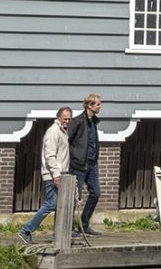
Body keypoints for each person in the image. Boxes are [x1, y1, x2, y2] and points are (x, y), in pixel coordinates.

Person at [22, 107, 74, 243]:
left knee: (59, 204)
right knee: (51, 203)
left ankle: (59, 234)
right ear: (58, 118)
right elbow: (50, 155)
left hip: (61, 173)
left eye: (69, 119)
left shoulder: (63, 131)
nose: (67, 121)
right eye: (65, 119)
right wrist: (56, 175)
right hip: (53, 175)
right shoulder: (53, 132)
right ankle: (26, 229)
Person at [71, 94, 105, 237]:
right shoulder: (78, 121)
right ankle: (68, 228)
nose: (100, 106)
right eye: (98, 104)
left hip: (92, 164)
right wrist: (75, 159)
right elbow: (68, 141)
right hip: (79, 165)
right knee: (74, 198)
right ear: (90, 105)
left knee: (95, 193)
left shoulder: (93, 122)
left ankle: (84, 225)